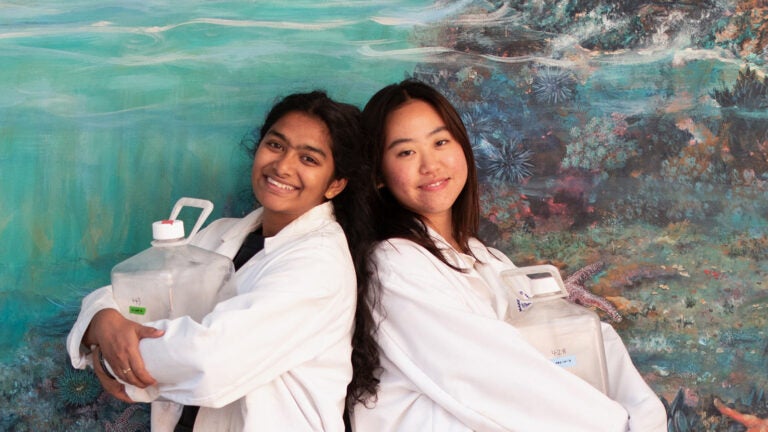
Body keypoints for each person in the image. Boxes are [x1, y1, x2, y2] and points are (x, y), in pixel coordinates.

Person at [349, 79, 668, 431]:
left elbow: (583, 338)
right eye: (405, 152)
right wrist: (616, 425)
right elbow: (496, 379)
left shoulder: (489, 259)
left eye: (441, 142)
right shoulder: (394, 263)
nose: (430, 165)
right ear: (378, 174)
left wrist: (643, 419)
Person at [66, 90, 379, 431]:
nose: (282, 166)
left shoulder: (319, 265)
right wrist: (103, 320)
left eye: (309, 159)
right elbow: (132, 290)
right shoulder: (219, 234)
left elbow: (210, 360)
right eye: (275, 145)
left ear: (335, 185)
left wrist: (113, 359)